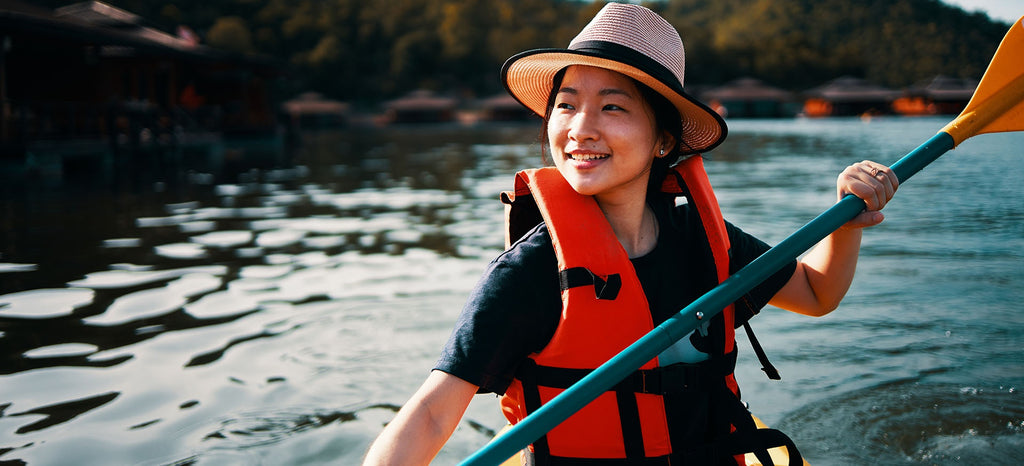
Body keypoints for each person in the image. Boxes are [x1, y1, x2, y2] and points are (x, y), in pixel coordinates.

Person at [364, 3, 898, 465]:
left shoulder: (701, 238)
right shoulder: (531, 272)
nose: (580, 128)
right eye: (566, 104)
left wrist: (846, 219)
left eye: (612, 107)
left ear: (663, 140)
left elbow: (816, 293)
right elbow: (432, 414)